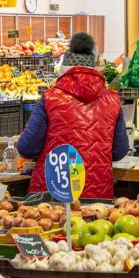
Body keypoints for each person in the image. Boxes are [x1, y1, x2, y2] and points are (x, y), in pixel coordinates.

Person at [17, 33, 128, 199]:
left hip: (52, 194)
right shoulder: (113, 100)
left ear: (64, 67)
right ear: (95, 66)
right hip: (98, 197)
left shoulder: (50, 98)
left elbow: (27, 148)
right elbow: (119, 151)